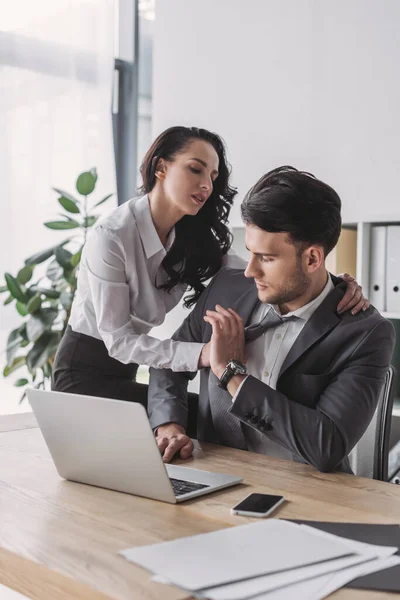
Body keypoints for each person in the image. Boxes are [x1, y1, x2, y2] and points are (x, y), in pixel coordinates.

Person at [52, 125, 366, 411]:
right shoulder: (112, 237)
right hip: (81, 375)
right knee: (195, 420)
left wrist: (332, 283)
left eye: (213, 178)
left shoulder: (191, 236)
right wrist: (206, 355)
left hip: (127, 371)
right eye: (195, 170)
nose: (205, 185)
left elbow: (262, 267)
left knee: (195, 419)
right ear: (161, 167)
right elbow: (118, 342)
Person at [148, 166, 395, 474]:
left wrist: (232, 376)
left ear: (312, 259)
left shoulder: (365, 332)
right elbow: (169, 361)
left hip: (308, 496)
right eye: (250, 252)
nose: (251, 271)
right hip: (214, 476)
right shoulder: (225, 288)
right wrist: (168, 424)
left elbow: (326, 446)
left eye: (266, 258)